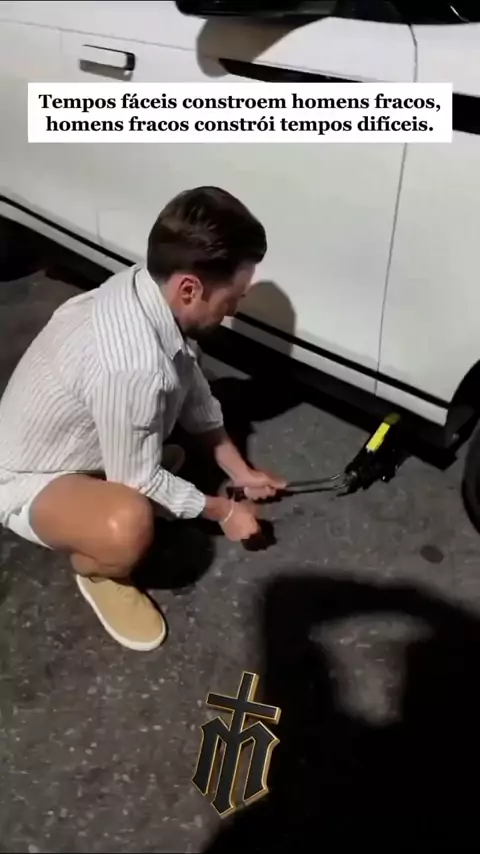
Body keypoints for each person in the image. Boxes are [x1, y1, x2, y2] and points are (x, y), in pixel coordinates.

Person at [0, 186, 285, 652]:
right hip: (26, 477)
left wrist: (240, 472)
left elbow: (191, 386)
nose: (235, 308)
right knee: (128, 523)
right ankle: (99, 573)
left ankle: (107, 476)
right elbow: (138, 481)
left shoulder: (145, 288)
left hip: (74, 442)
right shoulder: (133, 367)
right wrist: (225, 511)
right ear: (190, 289)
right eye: (232, 297)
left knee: (158, 440)